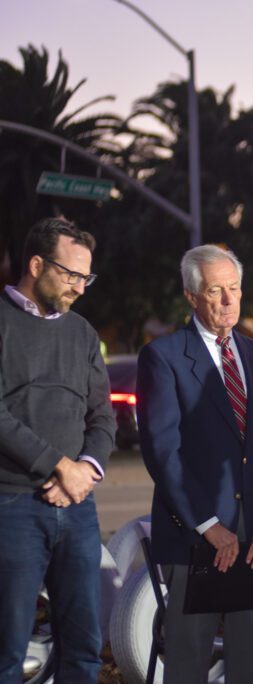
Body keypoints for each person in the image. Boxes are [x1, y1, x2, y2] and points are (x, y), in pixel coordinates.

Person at [136, 244, 253, 683]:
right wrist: (208, 525)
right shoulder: (163, 357)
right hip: (194, 537)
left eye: (235, 289)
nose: (228, 301)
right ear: (191, 297)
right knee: (188, 662)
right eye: (215, 291)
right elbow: (162, 451)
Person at [0, 217, 114, 682]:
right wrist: (57, 465)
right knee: (7, 648)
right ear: (35, 264)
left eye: (86, 278)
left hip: (79, 509)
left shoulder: (83, 333)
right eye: (71, 275)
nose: (80, 288)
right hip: (11, 506)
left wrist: (83, 469)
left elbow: (103, 416)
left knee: (84, 647)